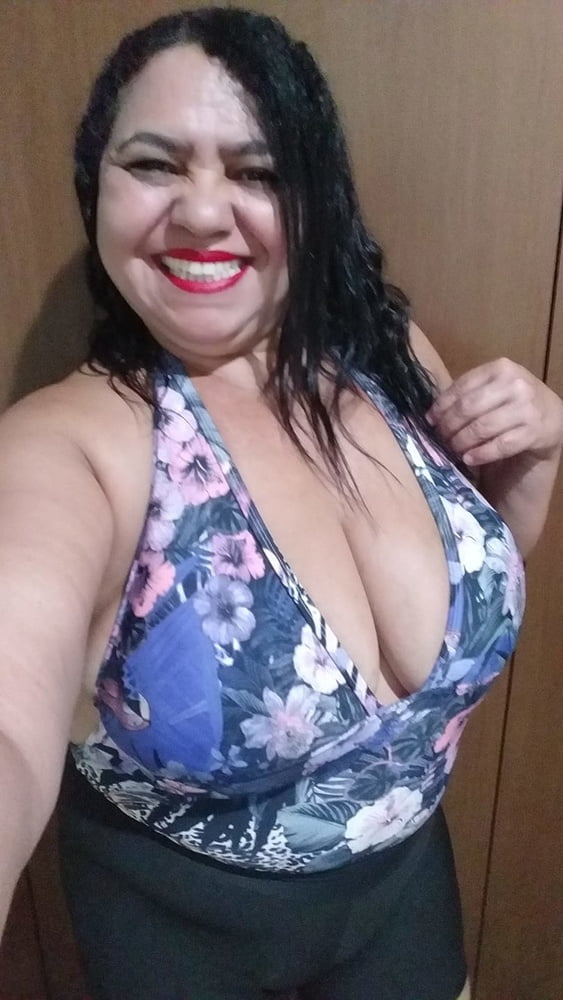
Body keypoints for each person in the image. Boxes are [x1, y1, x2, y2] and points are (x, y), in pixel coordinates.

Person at [1, 7, 561, 999]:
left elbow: (464, 600)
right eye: (154, 164)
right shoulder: (75, 446)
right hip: (176, 926)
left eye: (254, 171)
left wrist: (533, 463)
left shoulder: (390, 356)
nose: (202, 211)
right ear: (98, 187)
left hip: (402, 888)